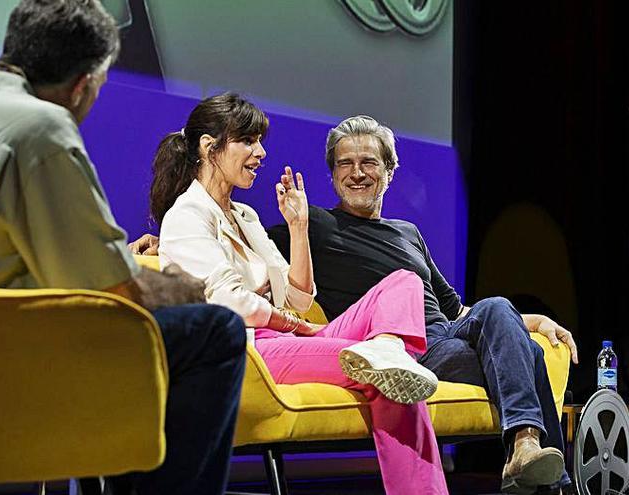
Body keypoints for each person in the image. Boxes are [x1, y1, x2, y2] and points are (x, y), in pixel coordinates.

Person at [0, 2, 246, 494]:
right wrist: (177, 287)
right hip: (19, 351)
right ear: (84, 83)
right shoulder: (41, 127)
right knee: (216, 331)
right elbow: (113, 288)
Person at [150, 94, 447, 494]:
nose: (261, 153)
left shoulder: (246, 216)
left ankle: (389, 348)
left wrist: (299, 226)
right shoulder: (186, 216)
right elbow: (228, 299)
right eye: (248, 141)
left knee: (403, 282)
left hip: (288, 337)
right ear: (209, 146)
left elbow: (299, 299)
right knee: (385, 377)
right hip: (252, 349)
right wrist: (287, 321)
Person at [268, 116, 579, 494]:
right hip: (409, 349)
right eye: (345, 163)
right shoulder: (314, 223)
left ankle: (526, 448)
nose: (356, 173)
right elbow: (252, 252)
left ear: (389, 172)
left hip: (449, 334)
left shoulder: (407, 232)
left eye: (368, 162)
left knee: (499, 306)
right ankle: (537, 466)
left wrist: (535, 320)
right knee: (527, 354)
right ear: (333, 175)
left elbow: (460, 312)